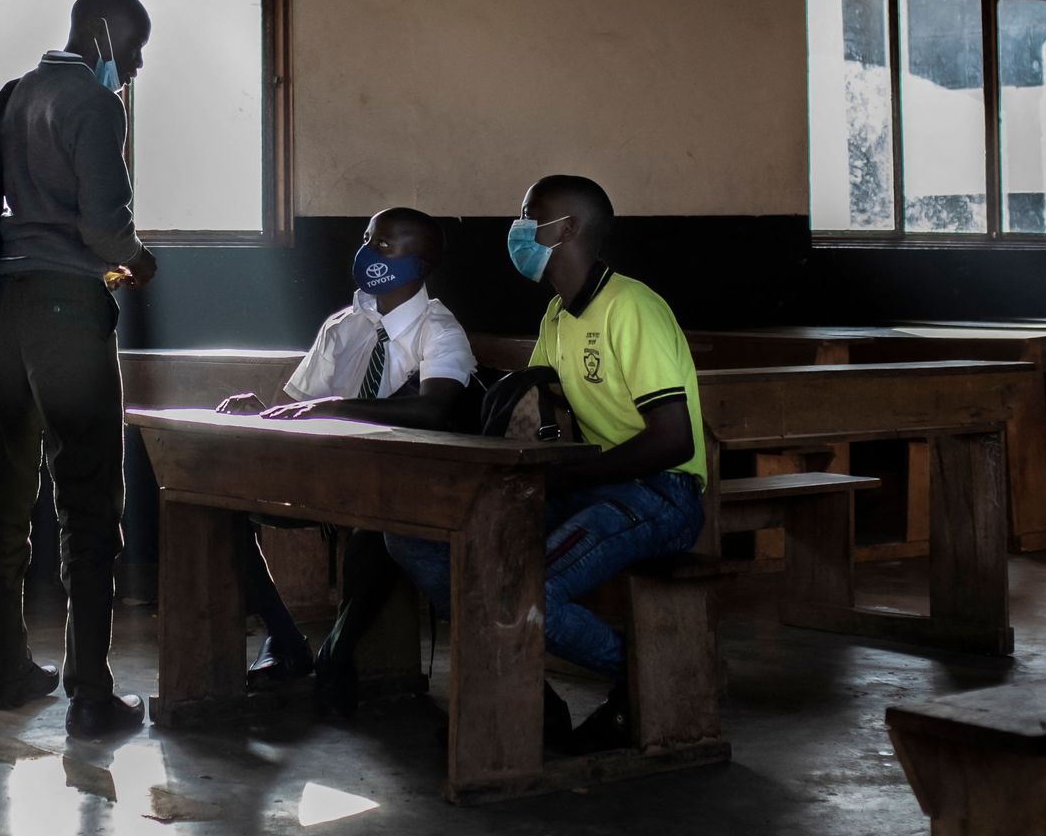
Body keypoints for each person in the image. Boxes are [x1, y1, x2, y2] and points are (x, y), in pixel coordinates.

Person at [387, 175, 706, 752]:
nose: (520, 229)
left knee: (527, 589)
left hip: (660, 494)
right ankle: (532, 695)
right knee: (422, 541)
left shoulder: (631, 307)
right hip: (595, 486)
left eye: (531, 215)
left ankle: (652, 676)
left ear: (570, 228)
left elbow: (674, 441)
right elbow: (534, 401)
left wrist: (564, 476)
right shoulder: (558, 317)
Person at [0, 0, 158, 739]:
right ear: (104, 33)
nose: (138, 66)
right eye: (136, 48)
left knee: (5, 493)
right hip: (67, 311)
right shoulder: (93, 103)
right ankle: (89, 692)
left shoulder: (16, 97)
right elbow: (104, 224)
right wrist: (139, 263)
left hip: (8, 307)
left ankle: (9, 674)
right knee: (89, 498)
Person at [216, 207, 476, 714]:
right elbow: (303, 407)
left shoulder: (439, 330)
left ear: (420, 264)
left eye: (384, 246)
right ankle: (286, 638)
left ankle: (338, 648)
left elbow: (434, 407)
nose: (367, 253)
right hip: (322, 476)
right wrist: (265, 412)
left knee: (377, 527)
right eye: (366, 239)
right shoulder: (343, 325)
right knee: (217, 508)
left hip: (393, 486)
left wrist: (338, 407)